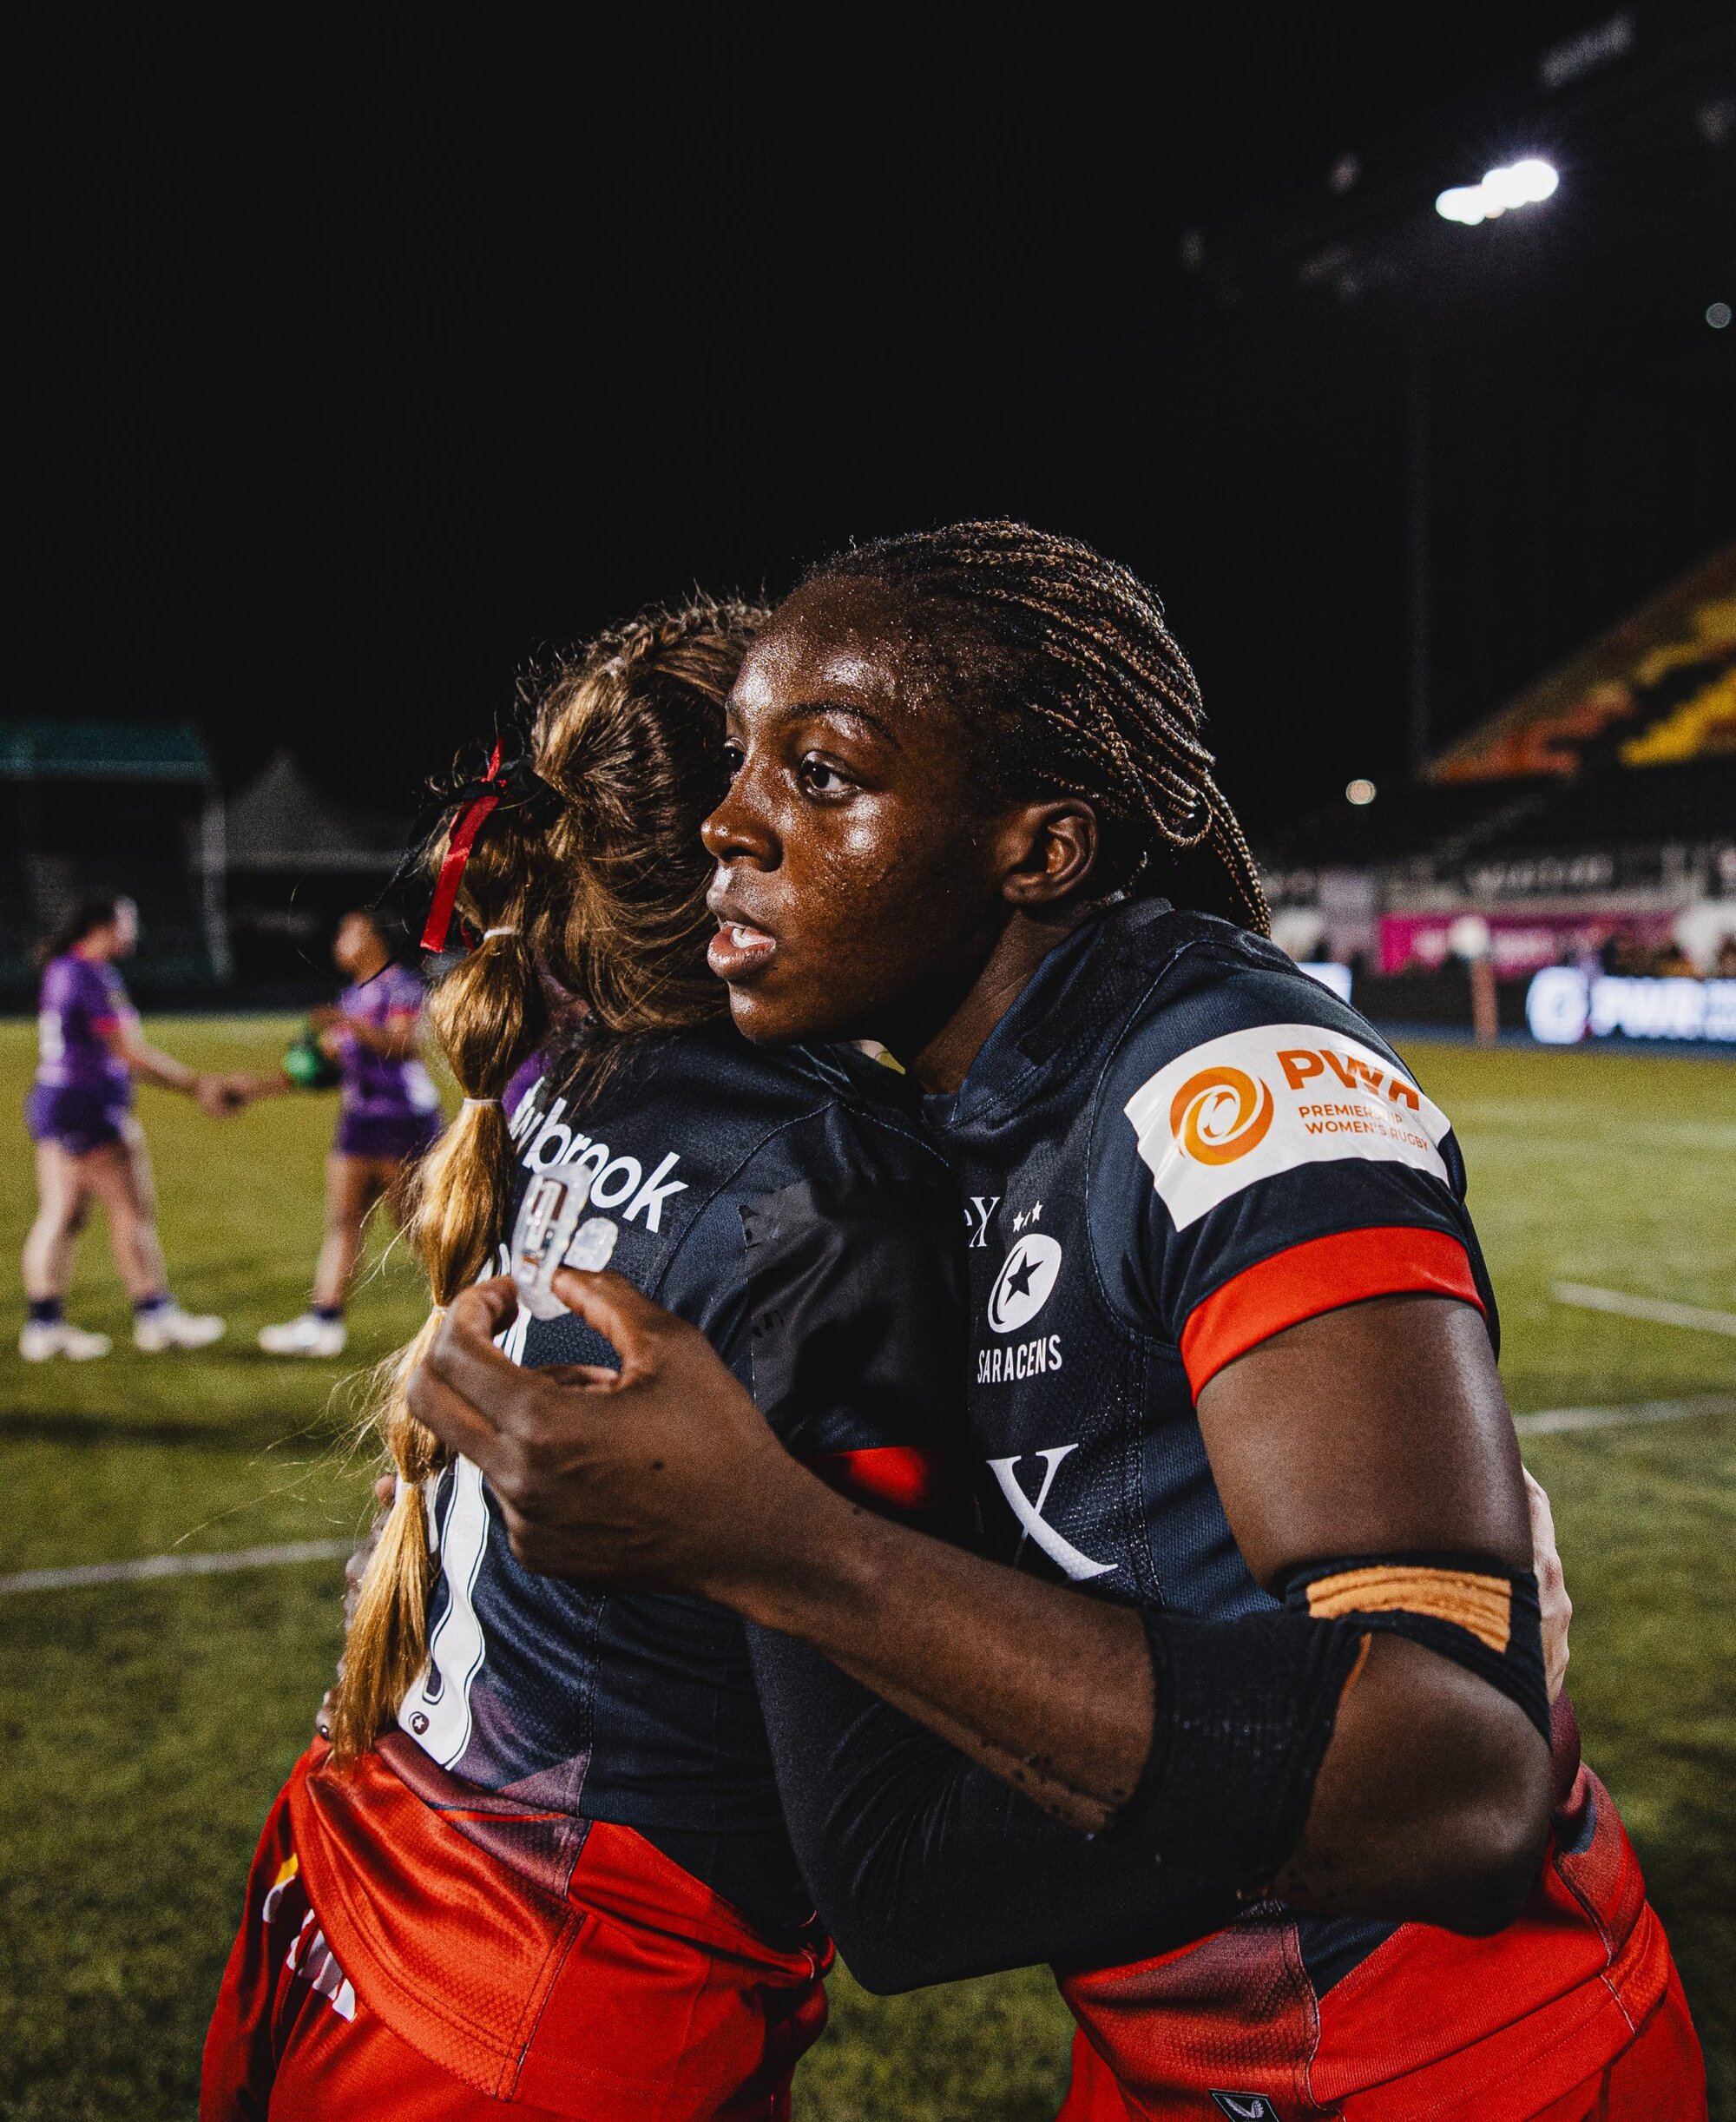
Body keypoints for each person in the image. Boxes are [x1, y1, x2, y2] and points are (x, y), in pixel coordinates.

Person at [410, 524, 1705, 2121]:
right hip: (1169, 2056)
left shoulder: (1236, 1085)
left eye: (821, 775)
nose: (728, 822)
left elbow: (1464, 1789)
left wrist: (779, 1547)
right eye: (739, 760)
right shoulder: (933, 1124)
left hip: (1451, 2071)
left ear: (1041, 850)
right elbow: (903, 1871)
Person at [202, 602, 990, 2121]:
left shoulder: (581, 1067)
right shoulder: (822, 1177)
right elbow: (890, 1848)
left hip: (355, 1874)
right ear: (741, 842)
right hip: (561, 2004)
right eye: (837, 782)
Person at [21, 893, 232, 1360]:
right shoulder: (91, 975)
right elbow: (129, 1052)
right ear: (101, 926)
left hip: (57, 1100)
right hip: (89, 1105)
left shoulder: (63, 967)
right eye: (126, 922)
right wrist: (196, 1085)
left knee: (62, 1214)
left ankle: (44, 1325)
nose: (133, 932)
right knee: (131, 1209)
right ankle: (155, 1317)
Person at [239, 909, 444, 1358]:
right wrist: (251, 1090)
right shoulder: (352, 996)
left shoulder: (401, 987)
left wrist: (347, 1024)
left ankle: (473, 1318)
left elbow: (404, 1045)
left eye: (349, 930)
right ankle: (324, 1323)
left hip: (402, 1120)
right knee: (345, 1221)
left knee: (420, 1231)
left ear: (375, 938)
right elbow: (328, 1071)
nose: (340, 940)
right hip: (359, 1120)